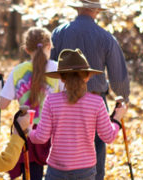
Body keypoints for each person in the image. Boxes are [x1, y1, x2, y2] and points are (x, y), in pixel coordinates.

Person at [50, 0, 130, 180]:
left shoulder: (59, 34)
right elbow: (118, 75)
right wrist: (122, 100)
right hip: (95, 103)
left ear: (78, 9)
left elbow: (51, 68)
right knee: (95, 156)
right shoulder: (106, 38)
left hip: (63, 101)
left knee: (62, 150)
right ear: (95, 11)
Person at [28, 48, 127, 180]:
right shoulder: (97, 102)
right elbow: (108, 137)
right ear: (87, 77)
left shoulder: (51, 101)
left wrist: (28, 129)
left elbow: (40, 137)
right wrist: (116, 119)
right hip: (85, 170)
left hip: (57, 169)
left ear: (62, 78)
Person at [0, 27, 62, 180]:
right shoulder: (58, 69)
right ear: (49, 46)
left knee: (31, 175)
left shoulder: (18, 71)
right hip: (54, 131)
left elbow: (2, 103)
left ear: (26, 49)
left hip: (28, 130)